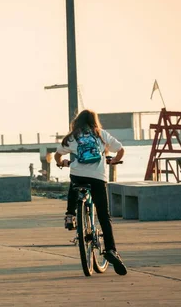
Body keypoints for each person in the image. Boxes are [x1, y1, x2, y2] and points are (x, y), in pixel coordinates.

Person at [54, 109, 127, 276]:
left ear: (77, 121)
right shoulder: (101, 134)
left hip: (78, 176)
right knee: (103, 215)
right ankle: (110, 250)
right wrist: (114, 160)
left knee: (74, 183)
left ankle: (70, 215)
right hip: (97, 178)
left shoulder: (72, 136)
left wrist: (63, 163)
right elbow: (120, 149)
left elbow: (57, 155)